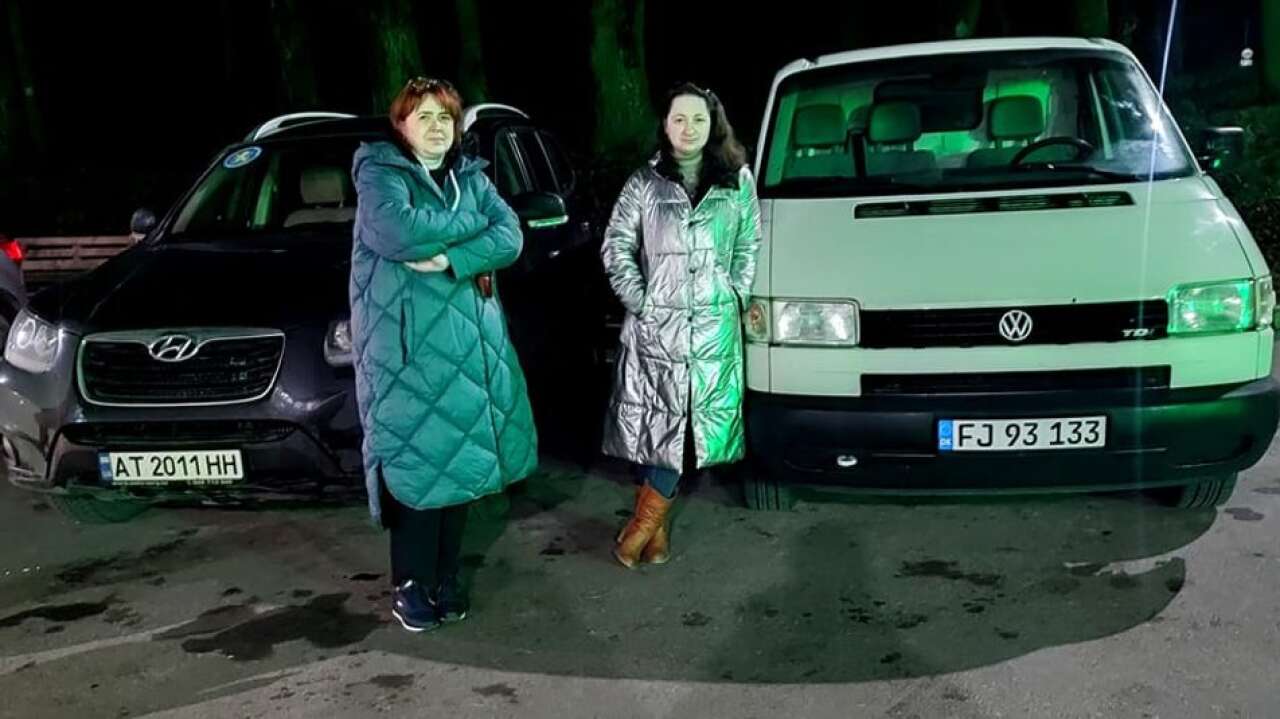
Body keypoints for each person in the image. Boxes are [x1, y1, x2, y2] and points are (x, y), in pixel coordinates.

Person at [349, 76, 538, 632]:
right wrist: (473, 230)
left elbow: (511, 237)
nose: (436, 128)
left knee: (459, 464)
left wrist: (452, 257)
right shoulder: (381, 176)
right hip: (408, 355)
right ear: (402, 125)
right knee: (416, 465)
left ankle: (446, 575)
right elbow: (400, 233)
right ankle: (411, 582)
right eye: (424, 117)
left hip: (469, 349)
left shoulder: (470, 177)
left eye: (445, 118)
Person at [601, 82, 761, 568]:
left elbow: (749, 243)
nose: (689, 129)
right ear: (665, 125)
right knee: (656, 429)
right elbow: (616, 245)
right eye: (679, 119)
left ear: (714, 124)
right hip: (657, 330)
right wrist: (642, 300)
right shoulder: (644, 183)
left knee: (691, 431)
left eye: (698, 119)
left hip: (713, 329)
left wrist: (735, 292)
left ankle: (641, 529)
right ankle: (651, 532)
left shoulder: (737, 180)